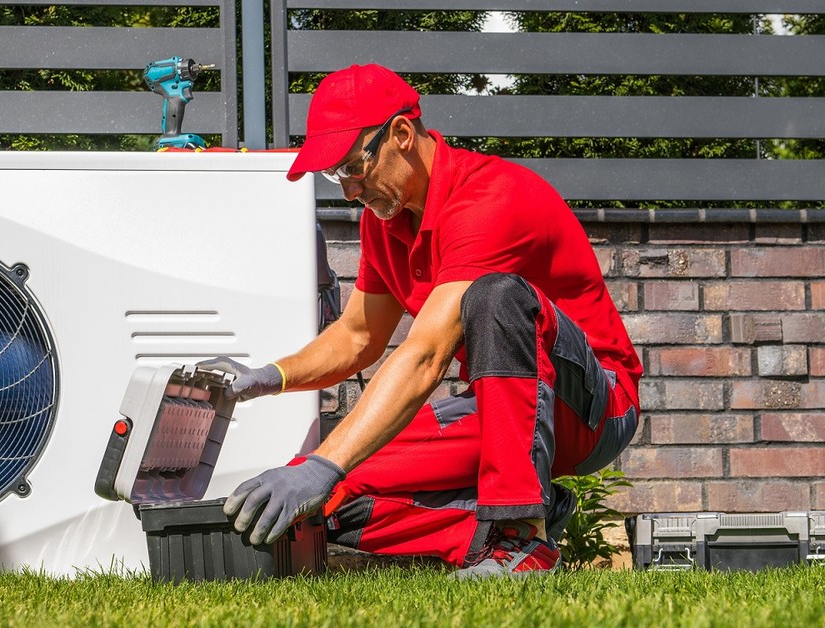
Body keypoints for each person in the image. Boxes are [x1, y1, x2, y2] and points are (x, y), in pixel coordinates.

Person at [198, 64, 641, 578]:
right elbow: (357, 336)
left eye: (352, 168)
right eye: (334, 176)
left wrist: (326, 461)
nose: (347, 191)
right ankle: (509, 524)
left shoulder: (489, 198)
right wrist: (267, 378)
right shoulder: (384, 222)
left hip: (593, 407)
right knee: (326, 499)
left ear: (402, 135)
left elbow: (426, 354)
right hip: (502, 412)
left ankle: (521, 537)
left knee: (495, 296)